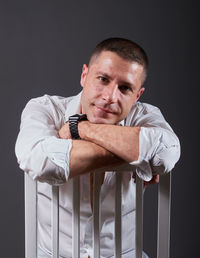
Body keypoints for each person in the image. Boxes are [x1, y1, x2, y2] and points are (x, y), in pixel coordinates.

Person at [15, 38, 180, 258]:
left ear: (137, 95)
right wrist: (135, 154)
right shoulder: (45, 108)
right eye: (102, 79)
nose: (110, 97)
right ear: (84, 75)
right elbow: (40, 161)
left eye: (125, 88)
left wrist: (79, 129)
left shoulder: (144, 116)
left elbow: (166, 153)